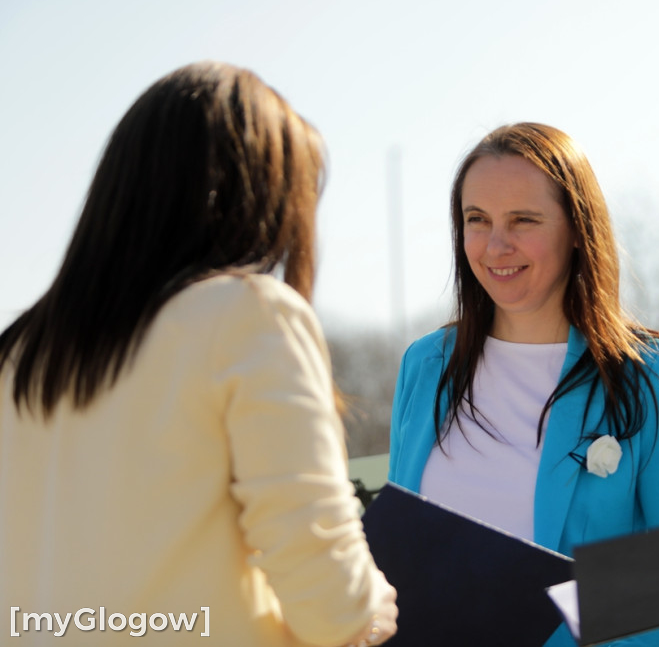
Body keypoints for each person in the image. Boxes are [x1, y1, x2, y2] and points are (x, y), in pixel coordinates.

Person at [0, 62, 397, 646]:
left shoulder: (19, 349)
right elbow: (327, 593)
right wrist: (373, 609)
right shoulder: (249, 315)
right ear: (258, 195)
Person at [388, 122, 659, 646]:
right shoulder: (425, 365)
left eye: (523, 219)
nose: (496, 245)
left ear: (576, 228)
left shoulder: (652, 376)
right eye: (477, 219)